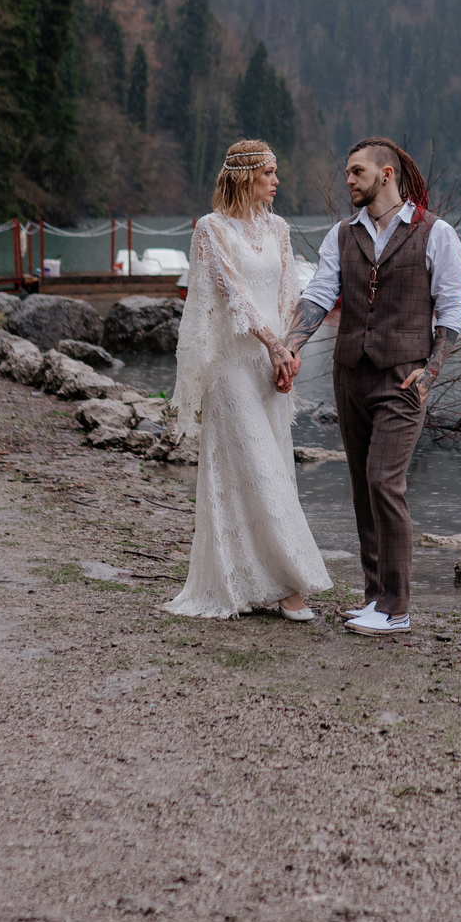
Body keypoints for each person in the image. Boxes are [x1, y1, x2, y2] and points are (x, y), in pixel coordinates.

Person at [282, 137, 461, 637]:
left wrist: (431, 372)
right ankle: (374, 599)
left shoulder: (436, 233)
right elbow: (319, 294)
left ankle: (398, 608)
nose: (348, 180)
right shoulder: (342, 234)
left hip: (403, 378)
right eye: (347, 172)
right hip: (350, 374)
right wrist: (292, 344)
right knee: (364, 486)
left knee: (386, 481)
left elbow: (451, 311)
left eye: (356, 171)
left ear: (386, 175)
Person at [161, 140, 332, 622]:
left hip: (270, 363)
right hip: (233, 366)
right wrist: (269, 343)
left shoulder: (279, 228)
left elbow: (287, 293)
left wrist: (288, 351)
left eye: (276, 173)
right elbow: (231, 293)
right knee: (255, 466)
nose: (277, 181)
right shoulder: (209, 229)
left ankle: (258, 578)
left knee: (274, 464)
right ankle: (288, 584)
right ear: (244, 176)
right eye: (269, 173)